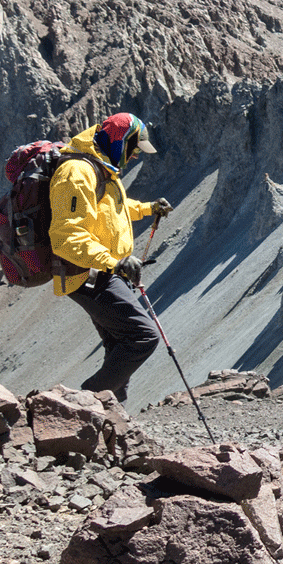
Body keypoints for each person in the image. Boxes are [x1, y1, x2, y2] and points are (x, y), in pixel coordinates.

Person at [48, 113, 172, 403]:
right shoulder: (76, 173)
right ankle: (83, 404)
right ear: (120, 142)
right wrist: (113, 262)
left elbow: (112, 208)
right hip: (88, 275)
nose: (136, 154)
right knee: (143, 337)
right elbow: (66, 236)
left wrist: (147, 208)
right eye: (134, 147)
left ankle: (111, 418)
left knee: (120, 345)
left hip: (103, 271)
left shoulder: (101, 168)